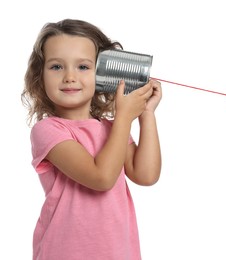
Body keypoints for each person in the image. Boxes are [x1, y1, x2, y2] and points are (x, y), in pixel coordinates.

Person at [21, 18, 162, 260]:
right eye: (56, 67)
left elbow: (146, 174)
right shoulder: (48, 130)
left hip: (117, 253)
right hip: (66, 252)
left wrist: (145, 114)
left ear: (101, 73)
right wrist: (124, 117)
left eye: (83, 67)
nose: (69, 77)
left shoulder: (112, 129)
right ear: (39, 76)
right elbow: (101, 177)